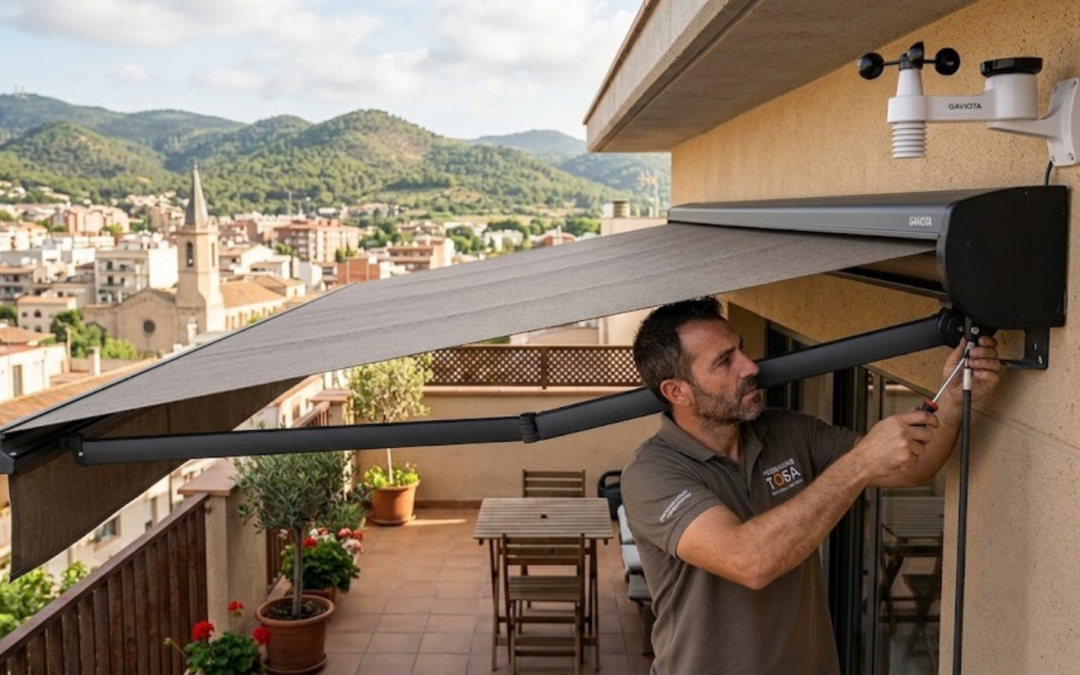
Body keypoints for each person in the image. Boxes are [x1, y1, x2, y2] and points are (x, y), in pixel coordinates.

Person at [621, 297, 1000, 675]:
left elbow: (907, 470)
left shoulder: (787, 430)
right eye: (724, 361)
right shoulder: (653, 473)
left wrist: (951, 402)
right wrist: (861, 462)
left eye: (742, 349)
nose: (750, 367)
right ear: (677, 392)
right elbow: (749, 561)